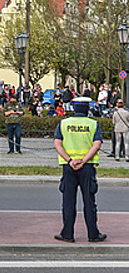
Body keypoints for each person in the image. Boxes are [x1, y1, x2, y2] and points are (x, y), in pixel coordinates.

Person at [53, 97, 107, 243]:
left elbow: (57, 144)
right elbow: (96, 145)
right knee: (89, 201)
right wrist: (83, 160)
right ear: (87, 109)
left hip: (68, 167)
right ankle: (93, 234)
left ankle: (67, 234)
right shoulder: (93, 124)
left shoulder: (64, 123)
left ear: (74, 108)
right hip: (87, 167)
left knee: (68, 201)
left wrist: (70, 160)